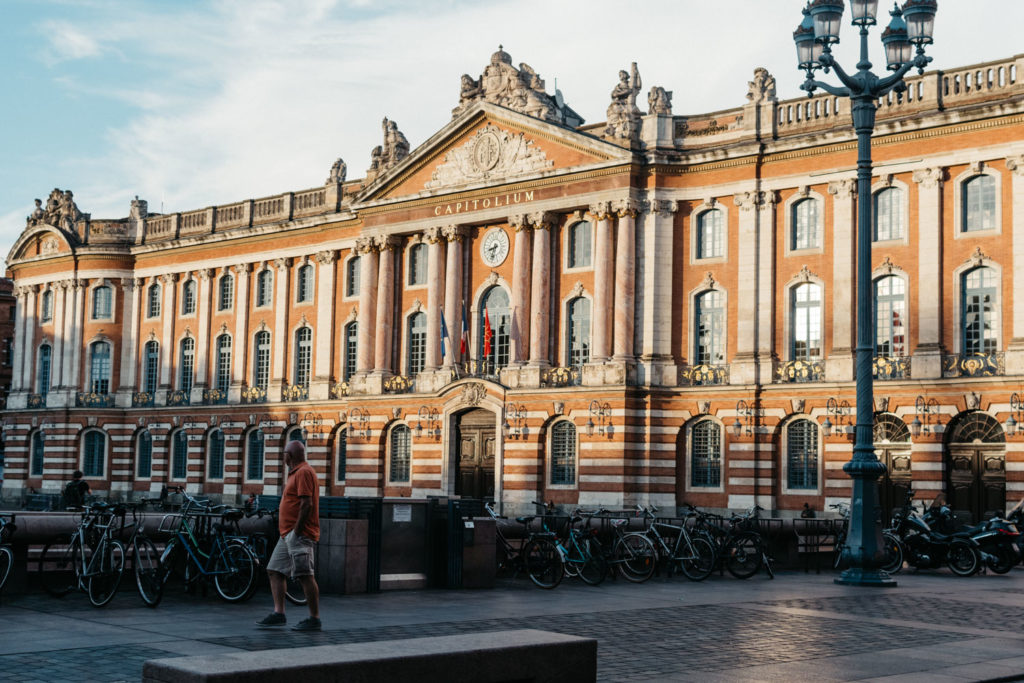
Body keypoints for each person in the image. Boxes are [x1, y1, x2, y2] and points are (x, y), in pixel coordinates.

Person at [256, 440, 321, 631]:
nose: (282, 456)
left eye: (284, 453)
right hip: (286, 535)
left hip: (298, 534)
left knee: (305, 575)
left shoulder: (304, 472)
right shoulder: (295, 472)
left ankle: (314, 618)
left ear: (289, 455)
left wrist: (297, 531)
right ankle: (279, 614)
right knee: (274, 570)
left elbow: (306, 504)